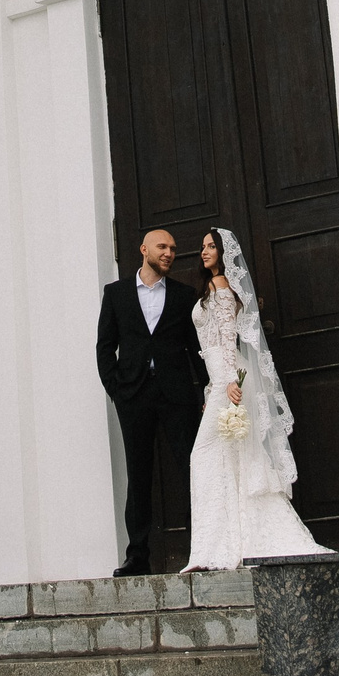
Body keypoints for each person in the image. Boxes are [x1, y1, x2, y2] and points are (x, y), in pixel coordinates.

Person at [185, 227, 327, 570]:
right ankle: (225, 545)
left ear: (223, 253)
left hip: (227, 380)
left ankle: (218, 547)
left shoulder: (220, 289)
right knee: (226, 459)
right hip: (218, 380)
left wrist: (230, 383)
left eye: (211, 247)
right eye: (203, 247)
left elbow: (227, 337)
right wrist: (212, 387)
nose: (204, 252)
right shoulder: (212, 287)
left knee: (201, 456)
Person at [96, 227, 207, 575]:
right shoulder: (115, 294)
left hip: (178, 397)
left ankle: (199, 549)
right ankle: (137, 557)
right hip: (134, 396)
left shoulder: (183, 295)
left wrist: (205, 387)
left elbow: (195, 349)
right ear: (144, 249)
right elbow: (104, 346)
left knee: (192, 470)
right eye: (162, 247)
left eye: (173, 248)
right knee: (138, 476)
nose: (169, 253)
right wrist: (117, 390)